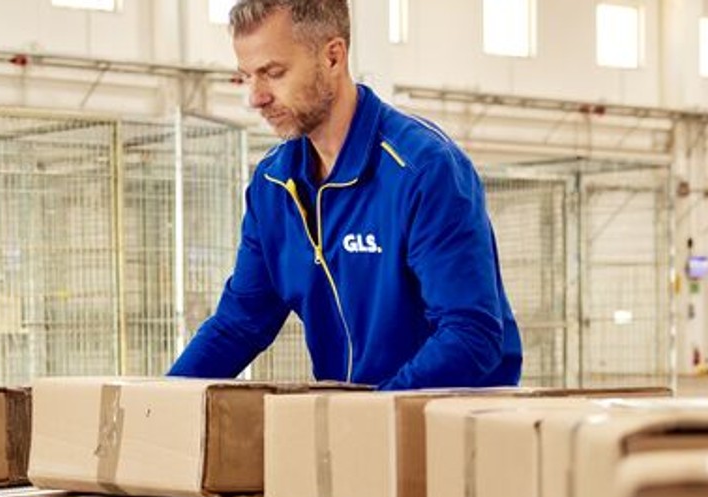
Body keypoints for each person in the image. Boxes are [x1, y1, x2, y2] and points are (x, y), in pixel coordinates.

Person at [168, 0, 522, 390]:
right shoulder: (273, 186)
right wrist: (157, 405)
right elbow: (239, 324)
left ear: (333, 57)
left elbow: (470, 334)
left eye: (273, 73)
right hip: (351, 423)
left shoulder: (422, 169)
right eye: (246, 76)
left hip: (447, 429)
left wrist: (372, 416)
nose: (256, 97)